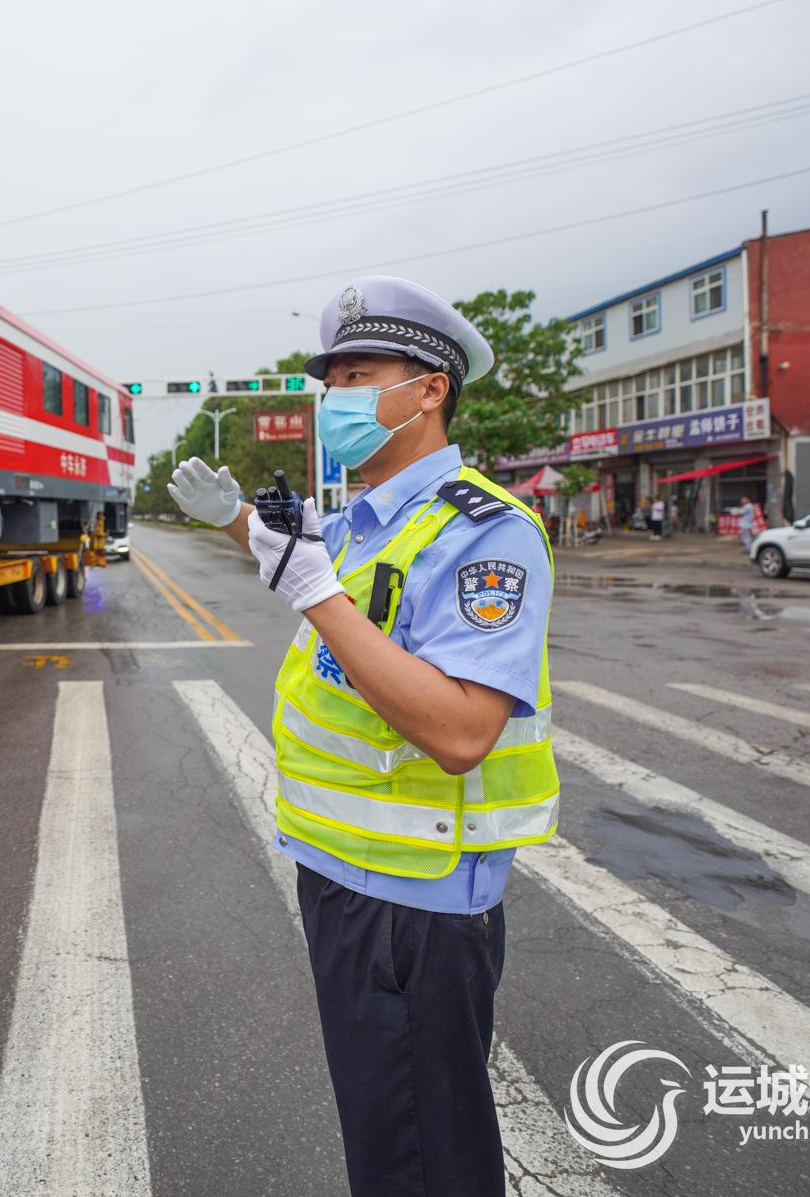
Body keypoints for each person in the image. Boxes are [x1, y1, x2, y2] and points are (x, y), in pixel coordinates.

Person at [167, 275, 557, 1196]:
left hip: (415, 901)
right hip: (347, 875)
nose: (334, 398)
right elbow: (314, 567)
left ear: (430, 390)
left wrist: (315, 592)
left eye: (358, 375)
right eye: (331, 379)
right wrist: (236, 520)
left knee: (420, 1157)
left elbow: (462, 731)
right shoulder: (367, 520)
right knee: (388, 1137)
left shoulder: (483, 531)